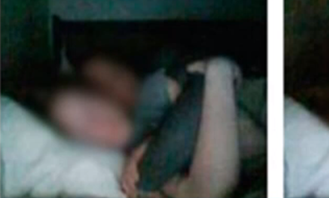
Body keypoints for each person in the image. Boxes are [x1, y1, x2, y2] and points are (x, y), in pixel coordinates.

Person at [30, 57, 265, 198]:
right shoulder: (116, 157)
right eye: (83, 130)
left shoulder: (144, 98)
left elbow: (194, 82)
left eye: (91, 111)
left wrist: (146, 150)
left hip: (238, 106)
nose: (97, 126)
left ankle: (220, 67)